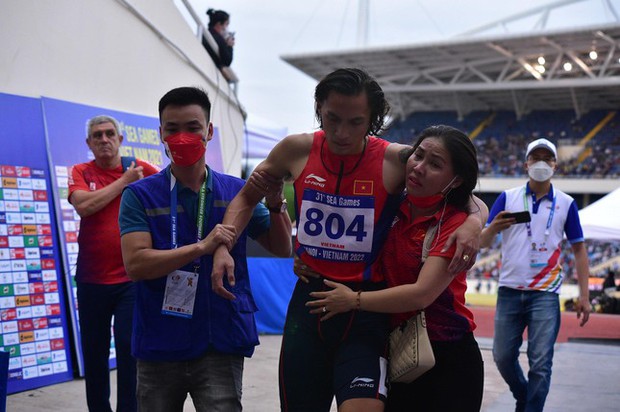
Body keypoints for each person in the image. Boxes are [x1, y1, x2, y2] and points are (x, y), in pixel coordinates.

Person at [211, 68, 486, 411]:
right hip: (309, 302)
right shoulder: (294, 149)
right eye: (332, 118)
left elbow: (462, 192)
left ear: (373, 120)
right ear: (319, 109)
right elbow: (246, 198)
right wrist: (224, 244)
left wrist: (475, 221)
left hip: (365, 311)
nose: (341, 132)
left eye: (356, 122)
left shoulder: (399, 159)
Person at [118, 86, 292, 412]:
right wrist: (202, 247)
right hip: (160, 342)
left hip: (219, 341)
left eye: (193, 128)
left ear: (209, 131)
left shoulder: (237, 192)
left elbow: (282, 248)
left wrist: (275, 202)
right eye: (172, 129)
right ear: (161, 134)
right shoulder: (140, 196)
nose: (182, 137)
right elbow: (136, 264)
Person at [305, 125, 485, 412]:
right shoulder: (391, 203)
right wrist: (308, 255)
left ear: (455, 180)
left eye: (435, 164)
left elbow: (421, 294)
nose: (419, 167)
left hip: (448, 358)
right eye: (418, 155)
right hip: (398, 353)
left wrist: (353, 301)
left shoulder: (453, 224)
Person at [480, 138, 591, 412]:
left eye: (547, 158)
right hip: (509, 290)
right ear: (526, 163)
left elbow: (579, 250)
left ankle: (530, 408)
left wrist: (584, 297)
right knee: (503, 356)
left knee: (541, 362)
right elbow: (482, 242)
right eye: (536, 158)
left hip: (545, 293)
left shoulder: (566, 204)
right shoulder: (508, 197)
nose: (541, 163)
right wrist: (493, 227)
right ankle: (524, 395)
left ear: (555, 165)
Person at [68, 115, 159, 412]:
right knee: (94, 357)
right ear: (89, 144)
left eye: (110, 134)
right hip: (91, 280)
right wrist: (124, 182)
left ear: (120, 139)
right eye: (97, 136)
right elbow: (83, 206)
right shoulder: (81, 171)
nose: (104, 139)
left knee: (129, 353)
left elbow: (170, 193)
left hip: (129, 280)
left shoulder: (142, 169)